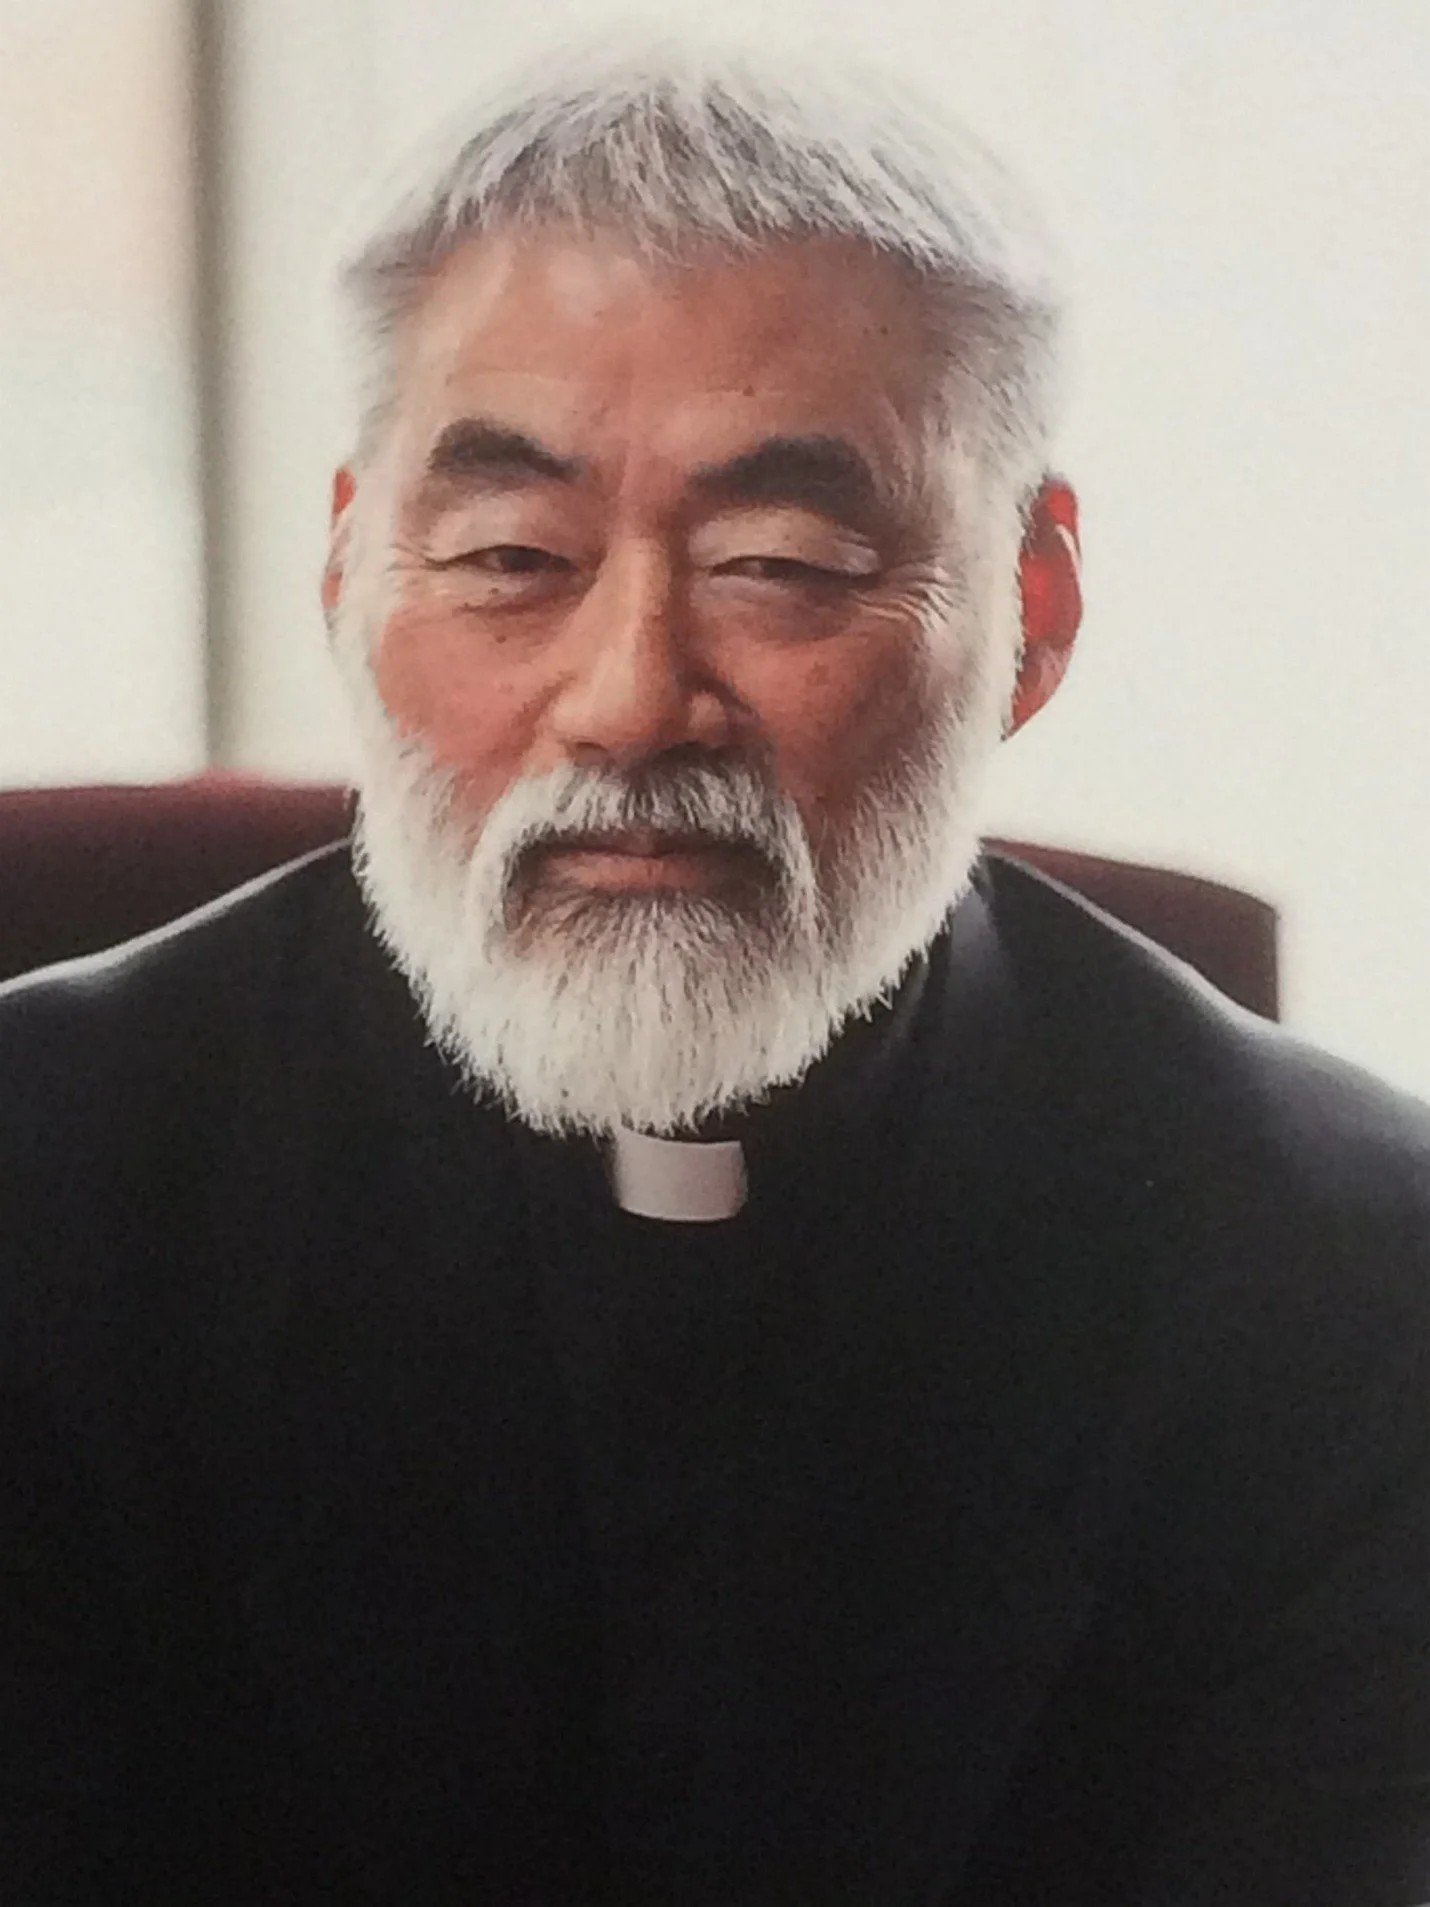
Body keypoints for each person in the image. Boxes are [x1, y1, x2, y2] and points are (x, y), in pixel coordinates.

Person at [2, 38, 1428, 1907]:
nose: (627, 699)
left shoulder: (1339, 1274)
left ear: (1031, 610)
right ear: (349, 572)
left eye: (781, 561)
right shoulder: (43, 1192)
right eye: (511, 553)